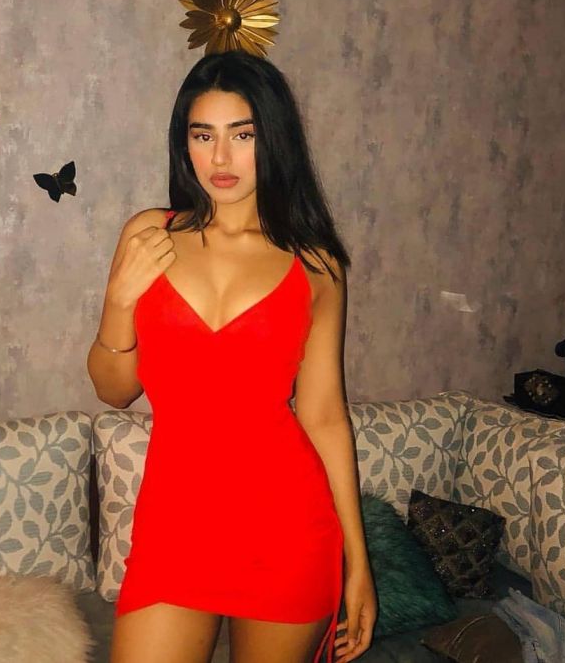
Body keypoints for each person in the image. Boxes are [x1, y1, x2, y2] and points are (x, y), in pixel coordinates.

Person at [87, 49, 377, 663]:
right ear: (184, 143)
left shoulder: (316, 264)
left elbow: (324, 415)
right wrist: (118, 299)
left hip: (287, 527)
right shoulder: (149, 234)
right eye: (203, 135)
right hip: (175, 529)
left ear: (273, 138)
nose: (220, 158)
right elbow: (114, 390)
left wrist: (358, 562)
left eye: (242, 135)